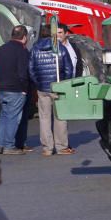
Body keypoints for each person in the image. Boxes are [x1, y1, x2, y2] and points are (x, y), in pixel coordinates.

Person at [29, 25, 74, 156]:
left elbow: (31, 69)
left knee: (44, 117)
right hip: (58, 87)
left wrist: (38, 83)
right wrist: (65, 83)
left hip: (42, 88)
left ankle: (47, 147)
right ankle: (61, 146)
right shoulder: (61, 48)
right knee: (60, 117)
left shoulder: (34, 49)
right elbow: (68, 69)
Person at [0, 25, 31, 155]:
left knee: (4, 116)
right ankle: (9, 145)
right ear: (25, 37)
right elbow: (23, 72)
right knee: (13, 117)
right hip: (16, 89)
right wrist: (24, 89)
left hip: (2, 88)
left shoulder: (2, 49)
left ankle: (0, 144)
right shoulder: (22, 51)